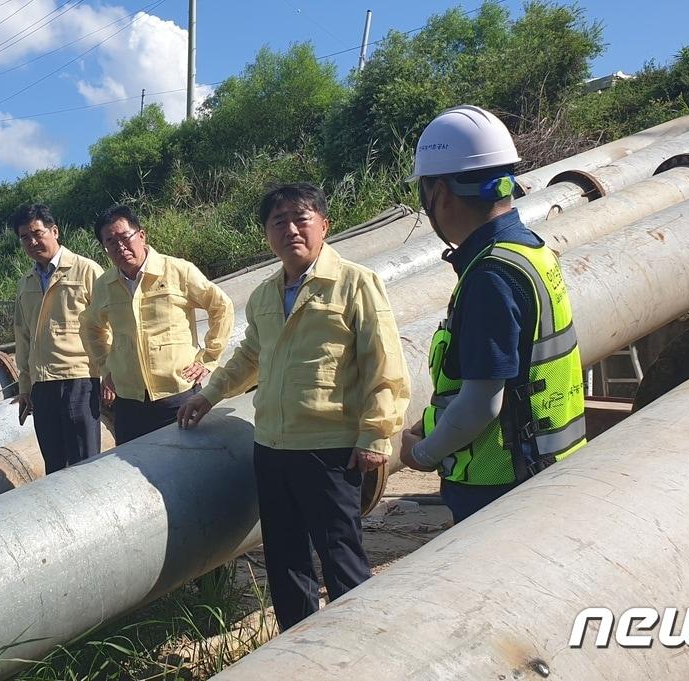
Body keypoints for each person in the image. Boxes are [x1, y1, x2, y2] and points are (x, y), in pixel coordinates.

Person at [177, 182, 410, 631]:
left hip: (328, 446)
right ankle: (298, 651)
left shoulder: (355, 283)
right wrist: (210, 394)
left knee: (341, 554)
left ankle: (357, 647)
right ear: (266, 234)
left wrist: (377, 434)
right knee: (284, 559)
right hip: (272, 446)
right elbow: (250, 356)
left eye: (301, 218)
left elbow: (385, 364)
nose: (290, 230)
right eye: (277, 222)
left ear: (324, 224)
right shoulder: (265, 294)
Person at [396, 105, 587, 523]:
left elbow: (482, 402)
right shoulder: (530, 250)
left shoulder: (490, 276)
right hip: (548, 466)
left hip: (500, 487)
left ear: (440, 193)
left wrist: (423, 452)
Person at [80, 205, 235, 444]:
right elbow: (90, 326)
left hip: (177, 396)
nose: (120, 246)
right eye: (110, 242)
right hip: (129, 403)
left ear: (141, 235)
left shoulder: (176, 270)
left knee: (189, 467)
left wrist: (208, 357)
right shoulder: (105, 286)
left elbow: (221, 306)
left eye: (124, 237)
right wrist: (106, 367)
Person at [11, 203, 106, 474]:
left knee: (85, 463)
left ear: (54, 231)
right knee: (54, 466)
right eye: (24, 237)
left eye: (37, 233)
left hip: (79, 379)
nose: (32, 241)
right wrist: (26, 387)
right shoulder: (26, 282)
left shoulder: (85, 270)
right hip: (43, 386)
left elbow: (107, 325)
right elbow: (23, 336)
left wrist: (109, 373)